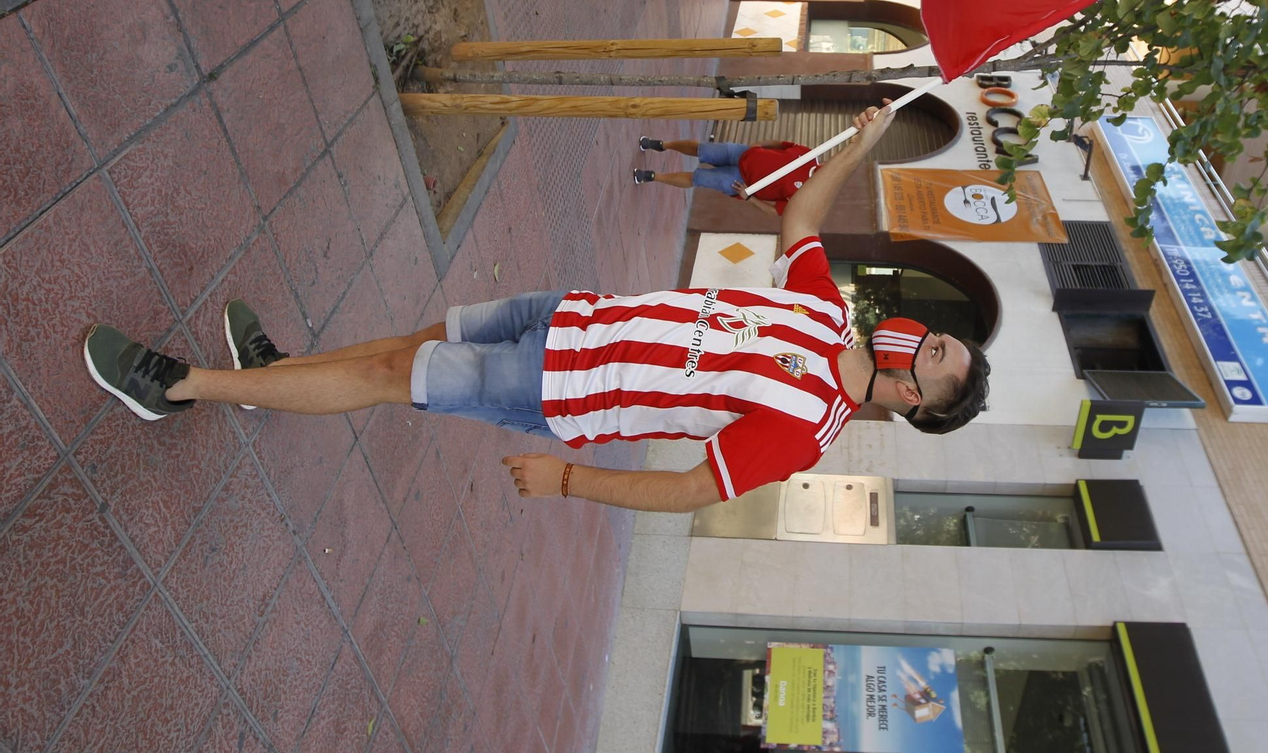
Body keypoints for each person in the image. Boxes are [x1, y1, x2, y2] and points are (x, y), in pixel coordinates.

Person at [83, 103, 990, 513]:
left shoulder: (808, 431)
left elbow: (685, 489)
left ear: (914, 400)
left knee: (390, 375)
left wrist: (570, 482)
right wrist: (859, 147)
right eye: (943, 335)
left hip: (563, 387)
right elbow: (798, 216)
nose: (929, 338)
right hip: (576, 313)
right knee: (407, 343)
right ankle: (265, 378)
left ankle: (179, 386)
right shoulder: (828, 313)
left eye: (938, 358)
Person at [632, 135, 820, 215]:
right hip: (743, 153)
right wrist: (760, 144)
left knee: (698, 179)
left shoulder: (807, 195)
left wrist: (749, 198)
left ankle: (653, 176)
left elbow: (775, 212)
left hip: (740, 183)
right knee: (702, 149)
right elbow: (782, 144)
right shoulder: (809, 155)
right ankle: (663, 145)